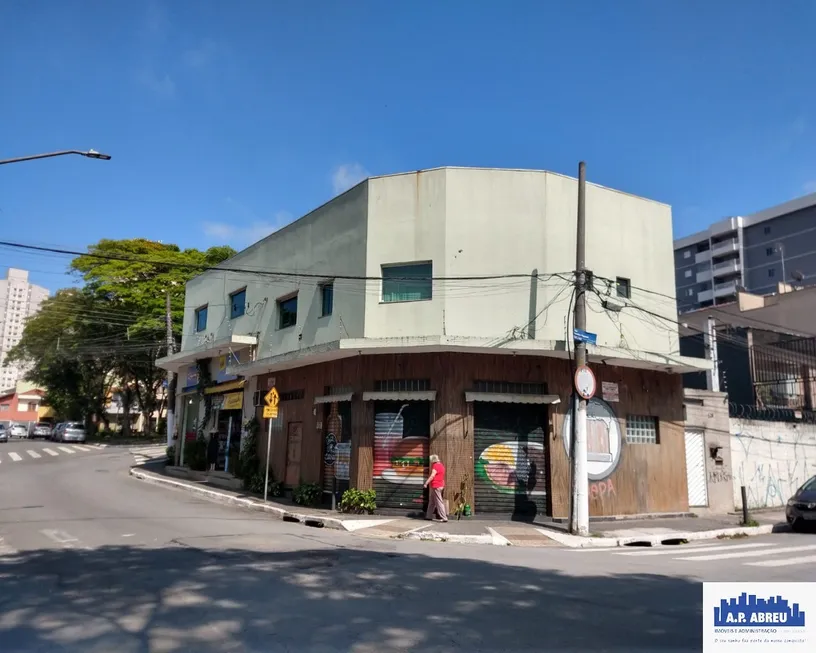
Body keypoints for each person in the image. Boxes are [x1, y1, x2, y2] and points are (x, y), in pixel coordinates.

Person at [424, 454, 447, 522]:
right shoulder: (441, 466)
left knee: (439, 502)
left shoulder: (435, 466)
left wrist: (426, 483)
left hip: (436, 486)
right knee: (432, 501)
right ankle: (428, 516)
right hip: (440, 485)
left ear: (433, 460)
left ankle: (444, 517)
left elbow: (432, 476)